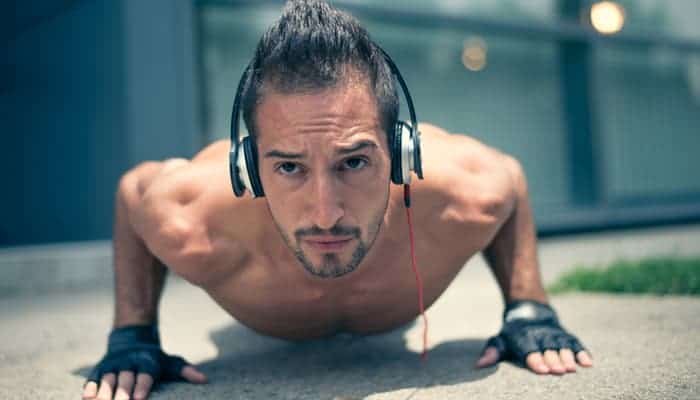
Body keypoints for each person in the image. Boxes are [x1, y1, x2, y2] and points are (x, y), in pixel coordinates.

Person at [83, 1, 592, 399]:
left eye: (353, 162)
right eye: (288, 167)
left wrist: (529, 310)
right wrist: (133, 335)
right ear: (247, 169)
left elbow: (512, 178)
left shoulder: (468, 193)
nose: (326, 213)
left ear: (400, 154)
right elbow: (133, 191)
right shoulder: (191, 220)